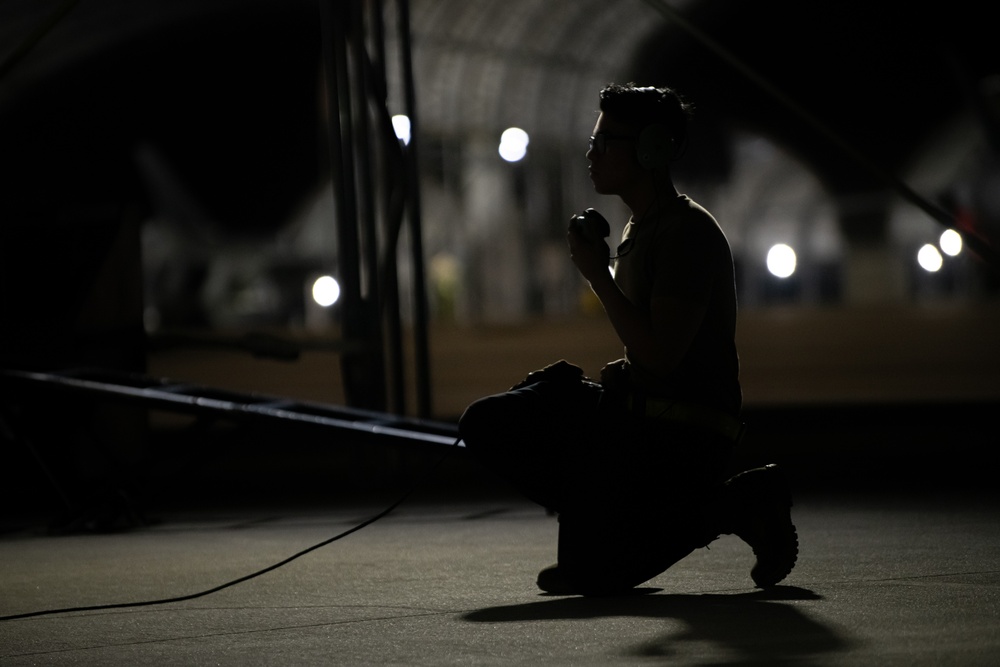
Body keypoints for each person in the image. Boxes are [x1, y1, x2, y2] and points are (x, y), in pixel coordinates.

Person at [459, 82, 797, 596]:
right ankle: (607, 519)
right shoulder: (640, 229)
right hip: (640, 419)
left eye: (604, 142)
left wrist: (598, 277)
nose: (591, 153)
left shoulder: (686, 233)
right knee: (493, 422)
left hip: (681, 437)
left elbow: (661, 357)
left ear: (651, 149)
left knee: (590, 570)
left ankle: (737, 502)